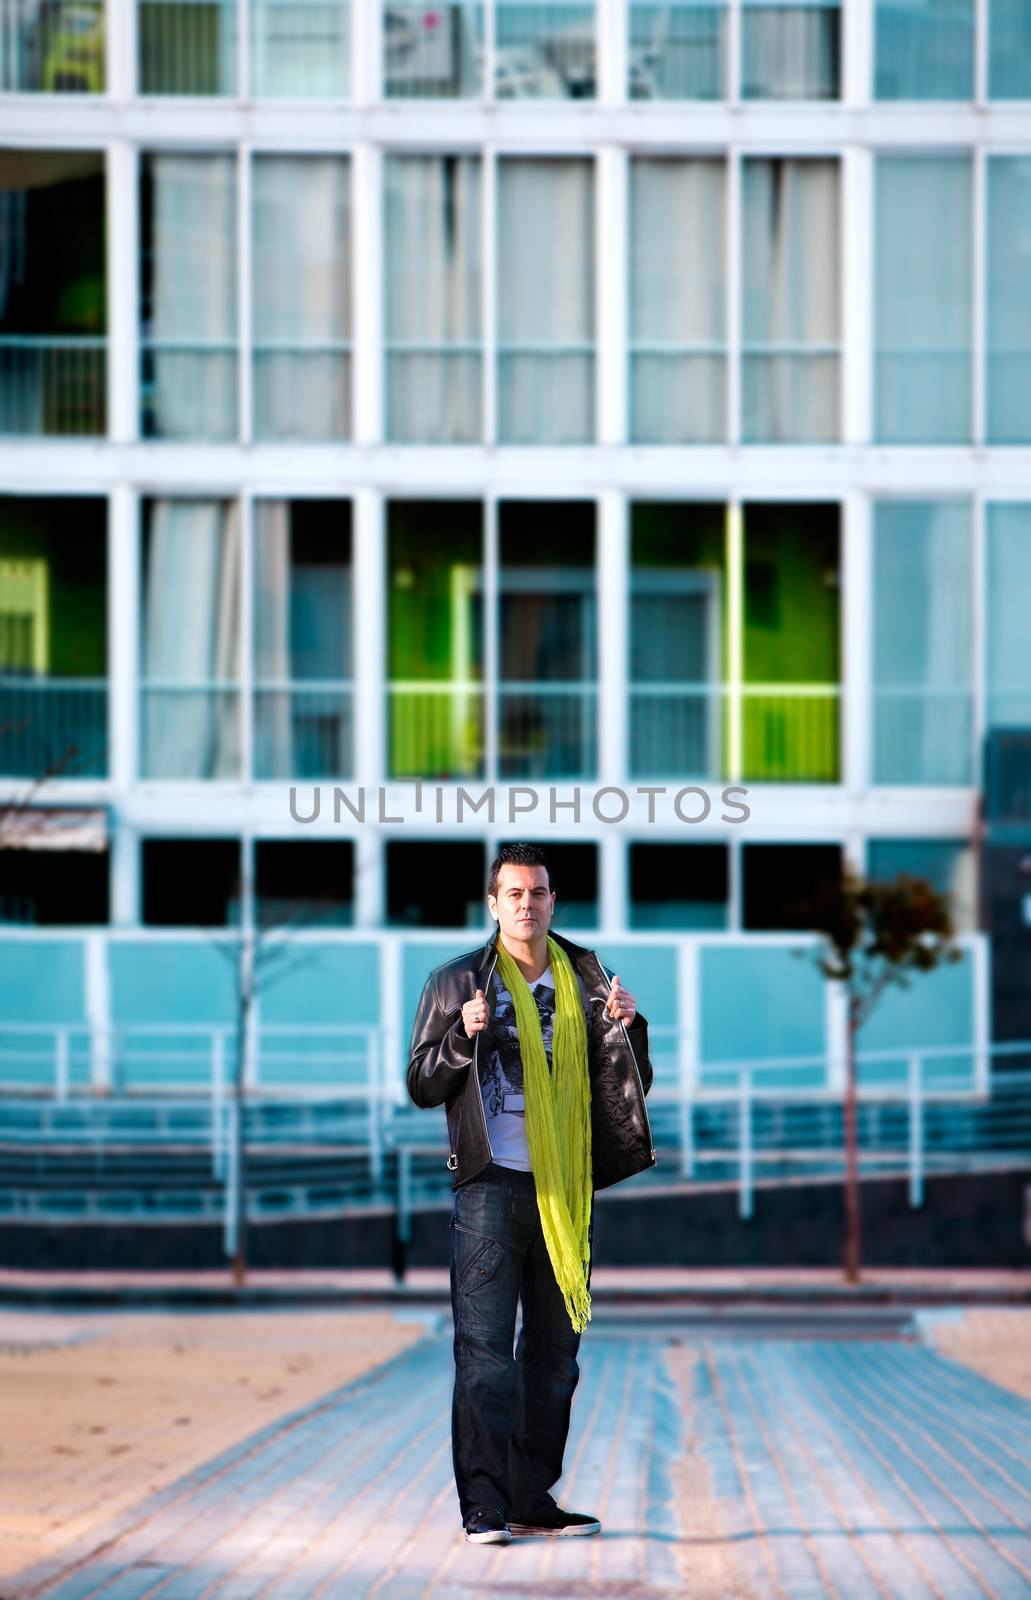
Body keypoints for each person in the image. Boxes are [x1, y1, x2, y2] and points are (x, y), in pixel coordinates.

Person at [406, 843, 655, 1546]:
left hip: (564, 1193)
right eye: (512, 893)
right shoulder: (457, 982)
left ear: (552, 901)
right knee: (485, 1358)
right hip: (489, 1190)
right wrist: (462, 1034)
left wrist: (627, 1030)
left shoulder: (587, 979)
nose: (526, 903)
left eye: (537, 892)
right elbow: (421, 1082)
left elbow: (629, 1088)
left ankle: (528, 1497)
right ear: (493, 905)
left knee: (554, 1359)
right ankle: (482, 1505)